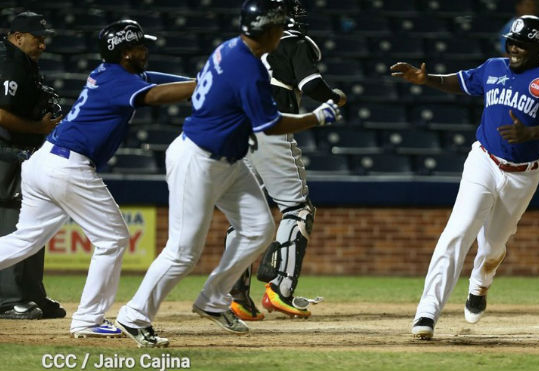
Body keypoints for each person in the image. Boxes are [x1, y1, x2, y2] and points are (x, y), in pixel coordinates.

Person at [115, 0, 342, 348]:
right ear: (266, 31)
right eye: (278, 27)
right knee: (182, 251)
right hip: (199, 158)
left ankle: (214, 298)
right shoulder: (246, 67)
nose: (282, 33)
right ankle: (134, 315)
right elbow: (272, 123)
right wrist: (317, 117)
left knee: (258, 228)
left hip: (228, 158)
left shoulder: (231, 49)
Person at [0, 19, 195, 337]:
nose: (145, 50)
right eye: (139, 46)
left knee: (26, 240)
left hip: (45, 162)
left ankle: (89, 318)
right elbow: (156, 96)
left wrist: (204, 81)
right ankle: (88, 320)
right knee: (114, 239)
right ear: (125, 53)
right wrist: (209, 84)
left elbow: (164, 83)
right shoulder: (119, 80)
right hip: (67, 164)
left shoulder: (116, 74)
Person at [391, 15, 539, 340]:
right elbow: (462, 81)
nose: (514, 48)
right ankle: (427, 312)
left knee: (493, 246)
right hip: (484, 161)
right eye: (511, 42)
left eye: (522, 43)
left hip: (523, 175)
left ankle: (479, 284)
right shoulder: (494, 67)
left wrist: (533, 131)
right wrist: (427, 79)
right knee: (458, 231)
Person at [227, 0, 347, 322]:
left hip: (238, 130)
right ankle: (281, 290)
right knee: (298, 208)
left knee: (243, 215)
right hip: (272, 128)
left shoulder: (247, 48)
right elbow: (311, 86)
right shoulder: (293, 42)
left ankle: (235, 297)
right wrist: (337, 97)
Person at [0, 11, 65, 320]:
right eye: (37, 38)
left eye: (44, 38)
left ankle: (31, 294)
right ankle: (8, 299)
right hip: (6, 154)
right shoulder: (9, 62)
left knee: (33, 218)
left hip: (22, 151)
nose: (43, 44)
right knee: (12, 219)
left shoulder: (24, 64)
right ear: (17, 37)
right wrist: (38, 128)